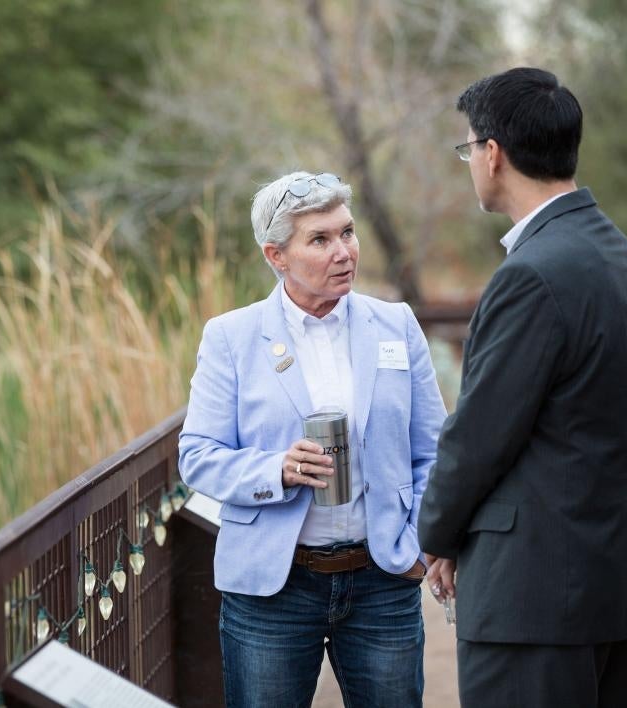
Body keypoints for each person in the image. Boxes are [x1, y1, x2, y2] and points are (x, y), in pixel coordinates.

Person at [417, 67, 627, 708]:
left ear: (492, 155)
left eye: (468, 147)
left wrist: (437, 534)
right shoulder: (619, 253)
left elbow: (480, 433)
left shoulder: (533, 273)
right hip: (613, 583)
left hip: (535, 598)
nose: (469, 160)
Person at [178, 170, 447, 707]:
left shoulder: (395, 325)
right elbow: (198, 458)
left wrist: (415, 544)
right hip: (272, 589)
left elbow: (435, 450)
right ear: (275, 256)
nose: (343, 251)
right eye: (320, 240)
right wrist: (275, 469)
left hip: (381, 580)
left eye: (346, 232)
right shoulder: (231, 338)